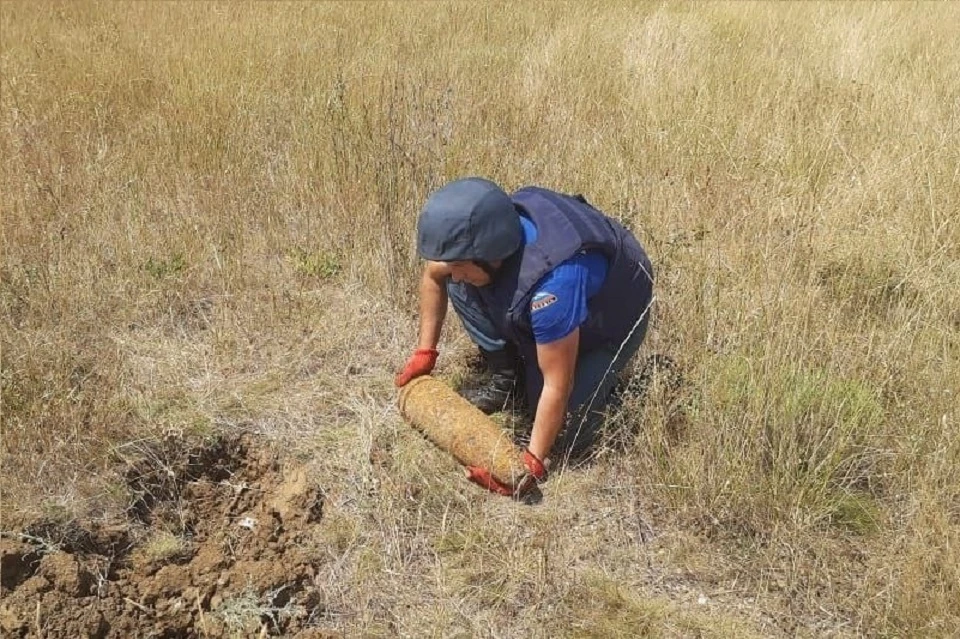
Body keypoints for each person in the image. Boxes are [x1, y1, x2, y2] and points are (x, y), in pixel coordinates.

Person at [395, 177, 654, 498]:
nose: (454, 271)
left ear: (491, 255)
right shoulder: (482, 240)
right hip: (553, 304)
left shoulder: (552, 289)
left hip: (613, 312)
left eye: (460, 264)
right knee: (461, 284)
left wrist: (530, 463)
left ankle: (635, 389)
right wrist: (425, 352)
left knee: (568, 432)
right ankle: (507, 373)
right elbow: (435, 274)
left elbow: (558, 385)